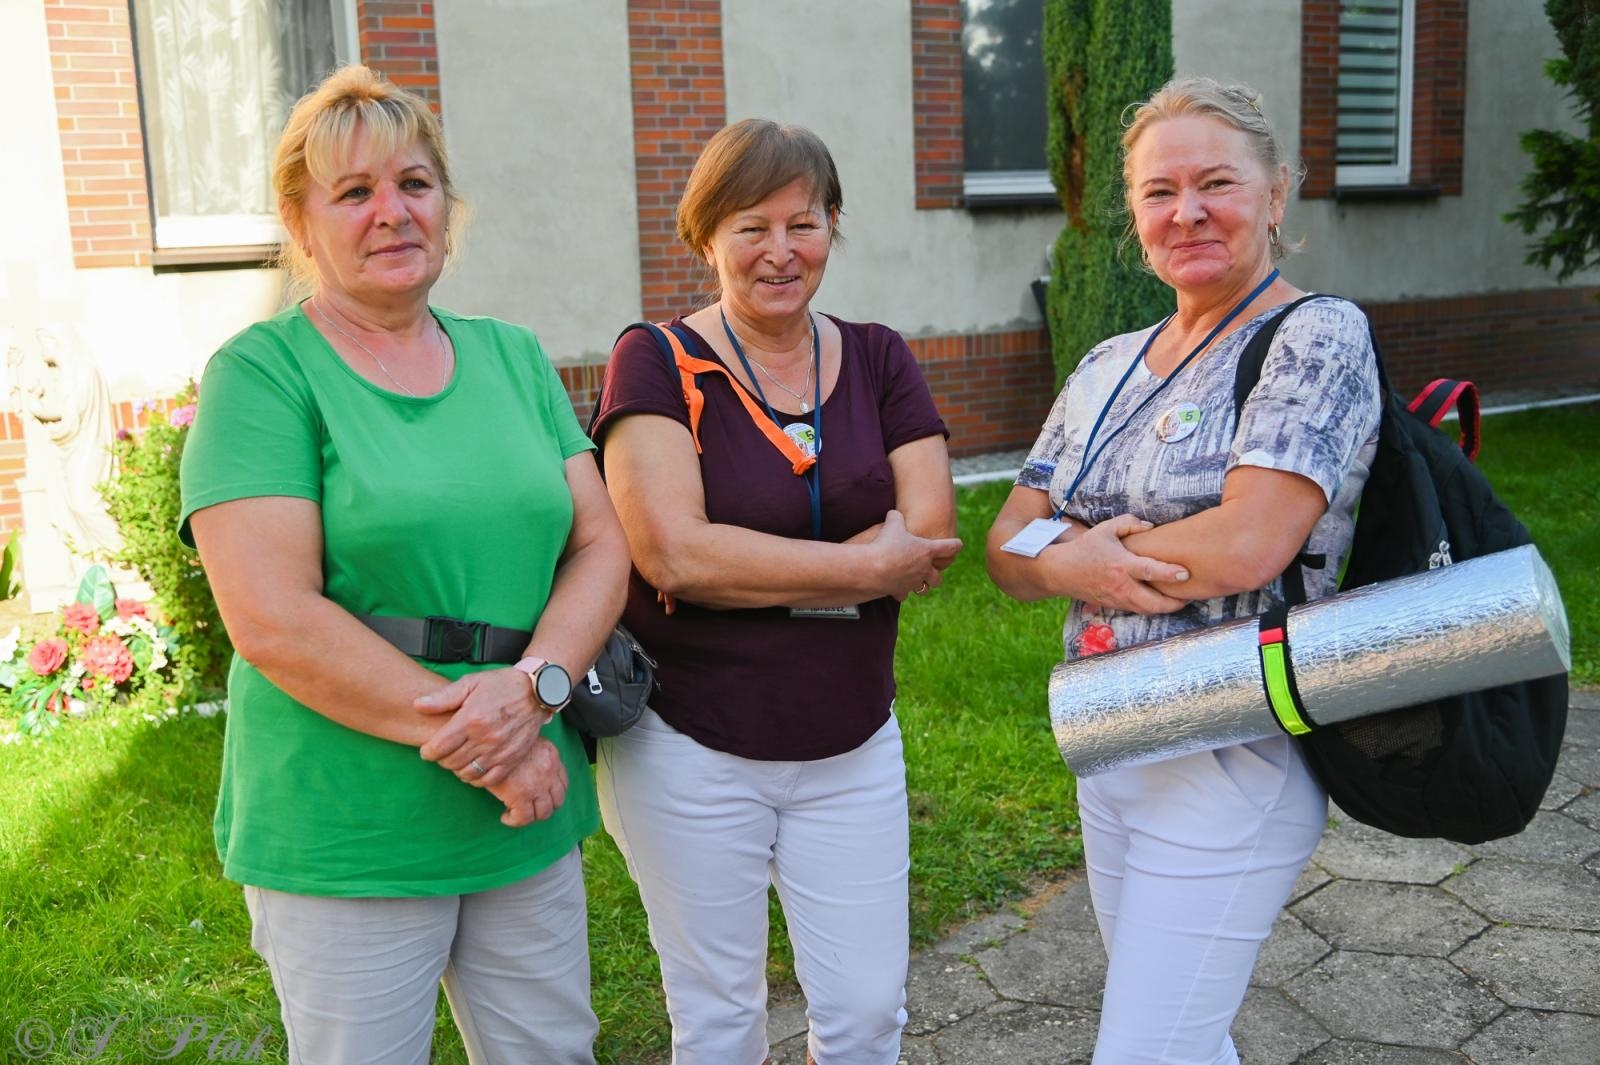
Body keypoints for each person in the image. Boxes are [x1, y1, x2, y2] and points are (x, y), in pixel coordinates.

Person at [178, 65, 629, 1065]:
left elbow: (599, 544)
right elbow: (272, 617)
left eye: (414, 183)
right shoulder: (260, 376)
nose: (392, 212)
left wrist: (536, 693)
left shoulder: (513, 357)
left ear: (446, 207)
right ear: (302, 226)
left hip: (525, 801)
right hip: (350, 824)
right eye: (354, 192)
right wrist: (498, 744)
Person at [986, 77, 1382, 1064]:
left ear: (1276, 192)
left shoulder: (1313, 336)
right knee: (1182, 1039)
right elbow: (1004, 542)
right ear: (1135, 213)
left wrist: (1076, 557)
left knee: (1145, 1050)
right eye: (1159, 192)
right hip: (1109, 739)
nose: (1187, 211)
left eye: (1216, 182)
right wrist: (1067, 557)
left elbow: (1250, 543)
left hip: (1230, 749)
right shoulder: (1106, 364)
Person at [589, 118, 963, 1065]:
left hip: (851, 738)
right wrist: (864, 565)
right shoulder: (658, 361)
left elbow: (929, 529)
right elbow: (673, 553)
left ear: (833, 227)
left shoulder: (877, 357)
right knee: (719, 1022)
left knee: (870, 1012)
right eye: (751, 226)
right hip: (690, 742)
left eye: (804, 223)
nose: (780, 251)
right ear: (706, 235)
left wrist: (754, 563)